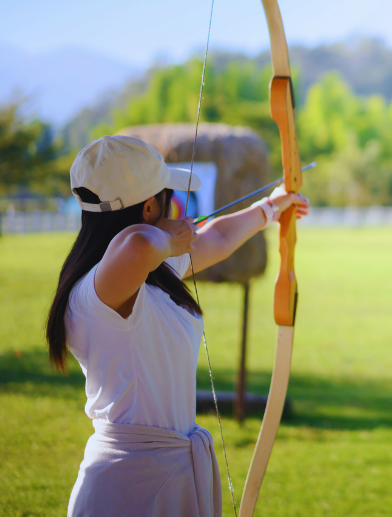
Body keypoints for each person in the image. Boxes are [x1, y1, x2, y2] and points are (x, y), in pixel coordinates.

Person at [45, 135, 308, 516]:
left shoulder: (154, 271)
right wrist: (169, 241)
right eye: (169, 199)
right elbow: (136, 245)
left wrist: (272, 207)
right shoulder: (97, 290)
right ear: (151, 206)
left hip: (170, 470)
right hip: (127, 484)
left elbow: (216, 236)